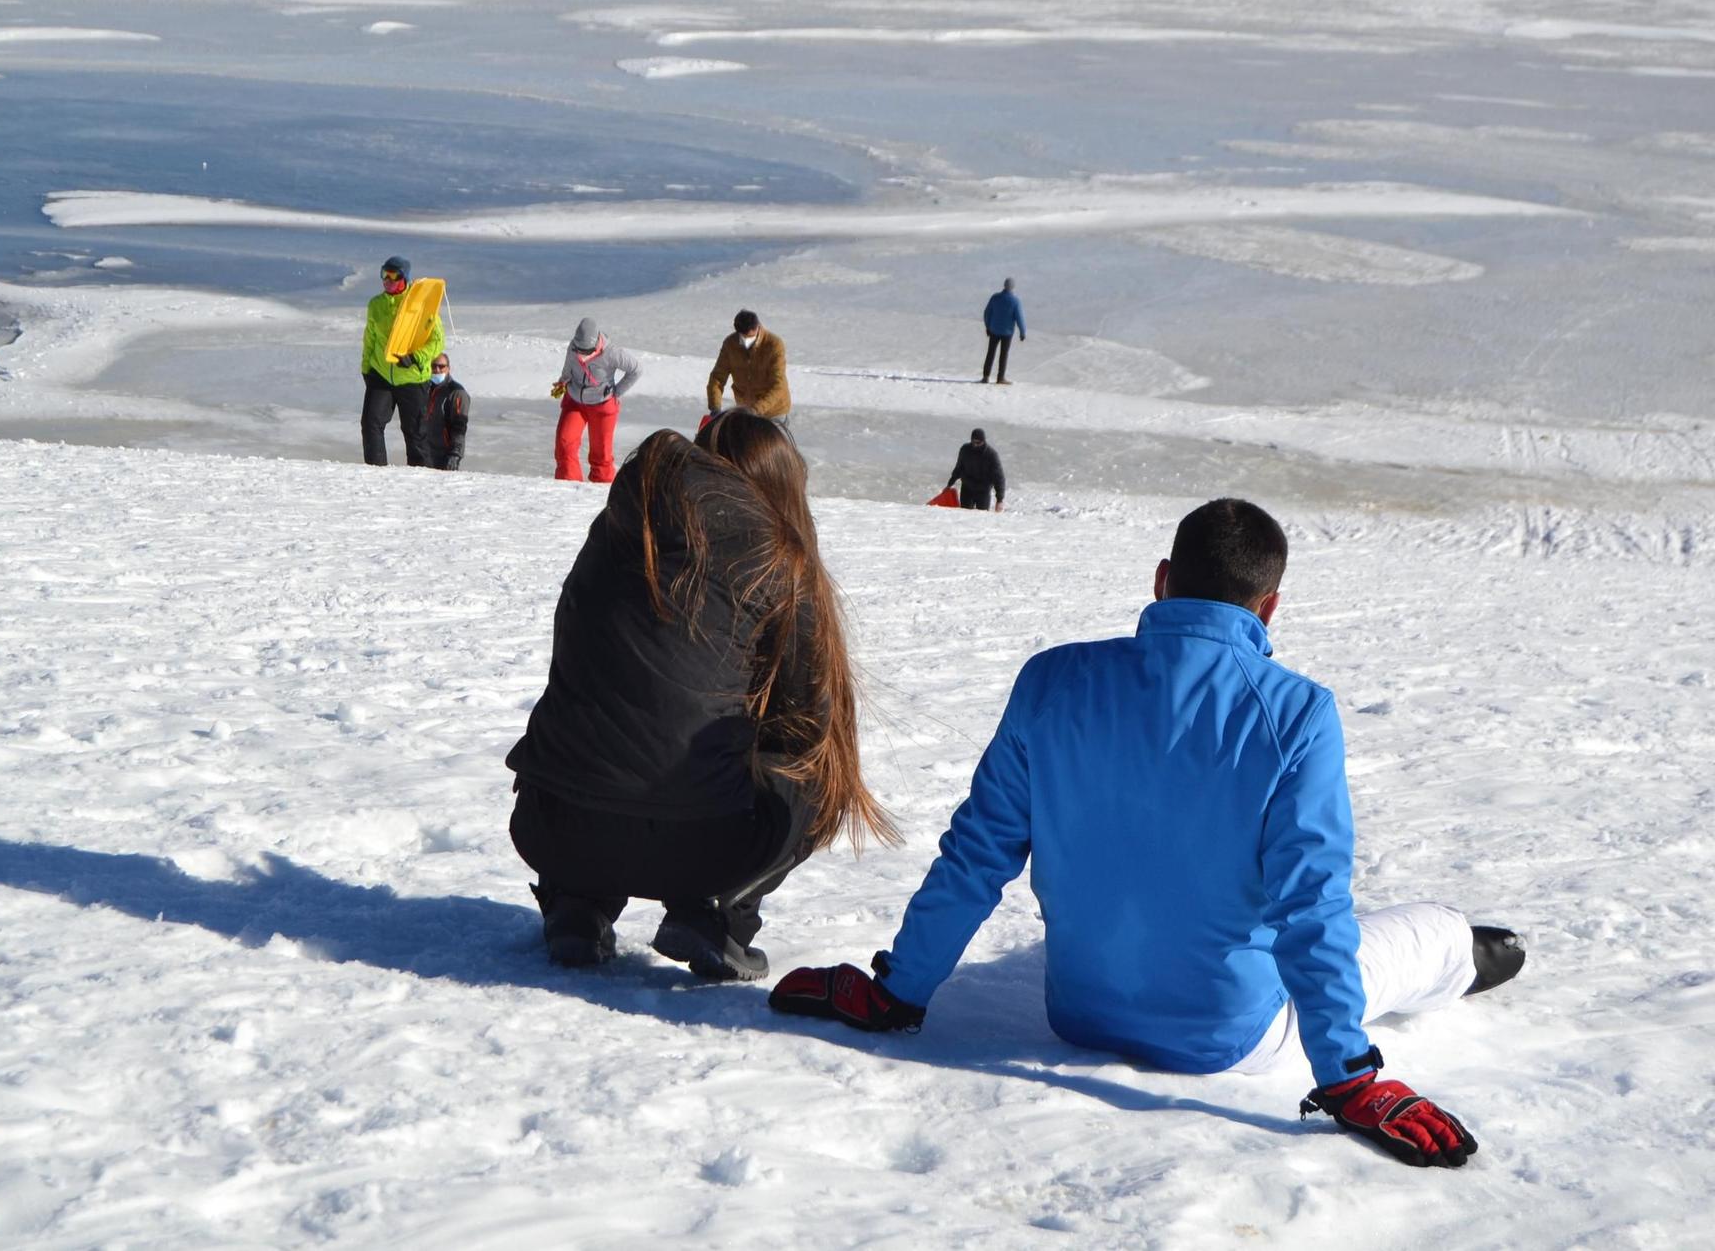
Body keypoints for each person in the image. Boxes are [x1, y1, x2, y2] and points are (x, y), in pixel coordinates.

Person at [768, 498, 1526, 1169]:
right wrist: (1351, 1077)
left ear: (1162, 580)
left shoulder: (1051, 680)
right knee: (1399, 942)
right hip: (1230, 1035)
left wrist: (897, 992)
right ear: (1268, 610)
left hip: (1079, 1010)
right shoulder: (1298, 713)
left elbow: (977, 854)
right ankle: (1472, 948)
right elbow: (1312, 908)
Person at [506, 410, 895, 980]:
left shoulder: (619, 527)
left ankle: (577, 903)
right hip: (701, 845)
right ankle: (718, 917)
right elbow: (808, 726)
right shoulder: (778, 559)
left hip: (553, 826)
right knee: (819, 769)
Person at [359, 255, 447, 466]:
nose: (388, 280)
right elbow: (370, 339)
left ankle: (419, 479)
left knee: (416, 433)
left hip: (412, 378)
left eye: (394, 276)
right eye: (384, 274)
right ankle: (375, 471)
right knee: (371, 423)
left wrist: (416, 357)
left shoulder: (420, 305)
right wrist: (366, 369)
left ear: (405, 278)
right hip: (381, 375)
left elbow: (437, 340)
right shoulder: (376, 305)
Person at [551, 316, 642, 482]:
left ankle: (600, 494)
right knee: (564, 445)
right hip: (575, 402)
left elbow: (636, 370)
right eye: (579, 349)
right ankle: (567, 489)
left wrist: (617, 392)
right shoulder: (573, 347)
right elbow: (569, 367)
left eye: (586, 351)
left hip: (602, 406)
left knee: (601, 456)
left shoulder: (612, 353)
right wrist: (563, 381)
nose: (581, 353)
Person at [706, 309, 791, 425]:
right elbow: (717, 377)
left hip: (774, 411)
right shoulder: (730, 344)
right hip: (745, 410)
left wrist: (755, 410)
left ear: (758, 327)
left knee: (768, 441)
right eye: (743, 337)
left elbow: (778, 385)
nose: (747, 341)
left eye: (751, 336)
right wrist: (715, 407)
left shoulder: (774, 345)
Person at [423, 353, 470, 471]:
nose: (437, 370)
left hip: (445, 456)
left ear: (448, 368)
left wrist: (455, 454)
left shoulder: (457, 392)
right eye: (433, 366)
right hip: (425, 453)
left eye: (441, 366)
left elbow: (459, 427)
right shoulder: (426, 389)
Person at [946, 429, 1006, 511]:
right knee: (964, 515)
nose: (975, 445)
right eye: (973, 442)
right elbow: (959, 468)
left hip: (983, 491)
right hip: (967, 488)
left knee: (981, 517)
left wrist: (999, 500)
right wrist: (949, 484)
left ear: (983, 441)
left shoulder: (991, 455)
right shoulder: (965, 450)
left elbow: (999, 478)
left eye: (978, 443)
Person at [981, 276, 1026, 385]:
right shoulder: (1015, 301)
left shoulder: (995, 298)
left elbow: (987, 313)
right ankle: (1000, 378)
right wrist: (1022, 332)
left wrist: (988, 326)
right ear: (1012, 287)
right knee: (1003, 354)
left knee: (990, 353)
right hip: (1007, 332)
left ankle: (986, 377)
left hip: (994, 330)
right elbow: (1019, 317)